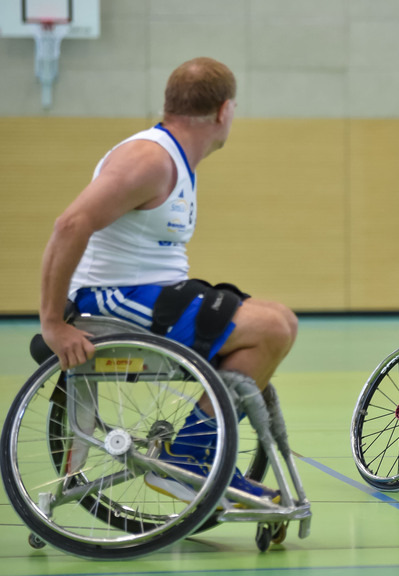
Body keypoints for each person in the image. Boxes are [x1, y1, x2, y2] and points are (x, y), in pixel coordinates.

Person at [39, 57, 298, 504]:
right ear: (224, 111)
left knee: (277, 320)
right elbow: (69, 225)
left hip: (152, 292)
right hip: (110, 298)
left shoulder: (172, 157)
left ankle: (193, 453)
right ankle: (188, 460)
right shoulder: (149, 160)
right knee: (272, 328)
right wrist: (53, 322)